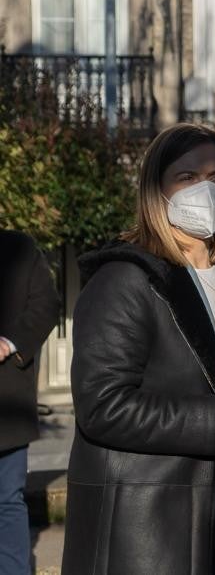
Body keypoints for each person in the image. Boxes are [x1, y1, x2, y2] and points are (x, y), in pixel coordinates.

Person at [62, 124, 215, 575]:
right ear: (157, 190)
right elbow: (102, 405)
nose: (205, 190)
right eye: (187, 178)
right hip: (148, 526)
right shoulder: (124, 279)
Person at [0, 230, 60, 575]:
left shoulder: (19, 247)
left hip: (6, 402)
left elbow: (47, 304)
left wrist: (10, 342)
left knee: (7, 500)